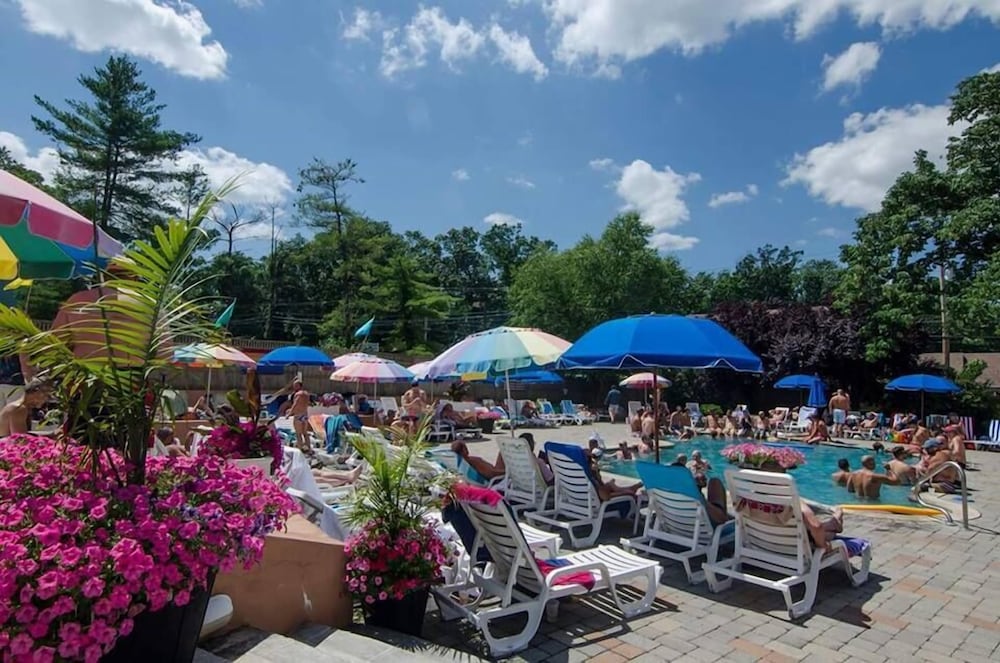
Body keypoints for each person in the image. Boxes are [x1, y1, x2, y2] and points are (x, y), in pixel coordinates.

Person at [289, 380, 311, 451]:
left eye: (296, 385)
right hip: (305, 415)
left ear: (300, 386)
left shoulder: (298, 394)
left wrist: (289, 413)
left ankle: (300, 449)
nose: (294, 387)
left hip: (298, 415)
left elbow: (295, 404)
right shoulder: (306, 394)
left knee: (298, 434)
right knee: (305, 433)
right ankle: (309, 448)